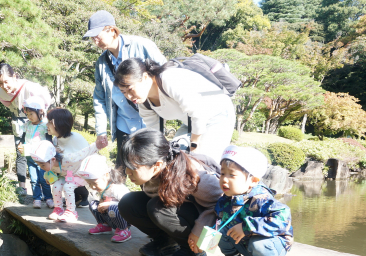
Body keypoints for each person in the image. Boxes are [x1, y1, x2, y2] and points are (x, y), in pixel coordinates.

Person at [117, 128, 223, 256]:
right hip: (181, 210)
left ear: (157, 165)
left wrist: (199, 233)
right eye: (126, 166)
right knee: (128, 203)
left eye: (133, 168)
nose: (127, 172)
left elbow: (222, 203)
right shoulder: (154, 169)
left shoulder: (192, 175)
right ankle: (166, 241)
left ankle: (194, 251)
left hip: (206, 219)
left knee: (157, 207)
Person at [113, 58, 236, 164]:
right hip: (191, 122)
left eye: (130, 89)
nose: (128, 96)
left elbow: (198, 114)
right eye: (124, 92)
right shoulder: (143, 101)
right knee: (175, 157)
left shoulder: (168, 79)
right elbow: (155, 133)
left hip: (218, 115)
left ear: (145, 77)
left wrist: (194, 148)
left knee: (203, 163)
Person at [84, 10, 166, 166]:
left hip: (149, 118)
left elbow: (165, 74)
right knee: (122, 166)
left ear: (112, 31)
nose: (95, 42)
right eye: (92, 38)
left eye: (97, 36)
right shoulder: (102, 63)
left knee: (148, 166)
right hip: (123, 121)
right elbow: (100, 97)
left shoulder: (142, 46)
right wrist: (101, 130)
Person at [206, 145, 293, 256]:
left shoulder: (262, 199)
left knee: (258, 242)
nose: (224, 180)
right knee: (221, 230)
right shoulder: (226, 199)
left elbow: (283, 217)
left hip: (272, 242)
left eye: (232, 175)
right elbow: (220, 219)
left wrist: (247, 227)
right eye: (222, 174)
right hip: (245, 242)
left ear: (253, 180)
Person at [0, 63, 52, 196]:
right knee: (21, 152)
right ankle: (22, 187)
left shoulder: (30, 87)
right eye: (0, 83)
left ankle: (47, 188)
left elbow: (46, 101)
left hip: (38, 121)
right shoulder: (0, 92)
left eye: (6, 82)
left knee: (42, 153)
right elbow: (7, 104)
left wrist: (38, 114)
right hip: (20, 121)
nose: (4, 86)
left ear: (14, 76)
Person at [38, 108, 90, 223]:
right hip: (65, 173)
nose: (46, 125)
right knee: (56, 186)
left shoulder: (76, 138)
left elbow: (85, 155)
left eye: (49, 122)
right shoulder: (56, 139)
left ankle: (71, 212)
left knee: (68, 187)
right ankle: (58, 209)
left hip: (78, 173)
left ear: (57, 123)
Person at [76, 154, 131, 243]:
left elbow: (128, 204)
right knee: (93, 204)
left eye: (94, 183)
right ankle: (105, 225)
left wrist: (110, 204)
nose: (92, 187)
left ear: (106, 175)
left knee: (112, 208)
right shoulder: (104, 187)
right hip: (111, 216)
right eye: (89, 183)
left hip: (123, 218)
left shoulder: (116, 188)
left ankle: (124, 229)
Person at [17, 97, 53, 209]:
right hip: (30, 157)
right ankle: (36, 199)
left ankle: (48, 198)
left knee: (44, 179)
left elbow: (49, 140)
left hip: (42, 158)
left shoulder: (45, 125)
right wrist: (20, 144)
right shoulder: (27, 125)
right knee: (33, 179)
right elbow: (23, 138)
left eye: (31, 113)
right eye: (27, 114)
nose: (29, 116)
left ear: (41, 111)